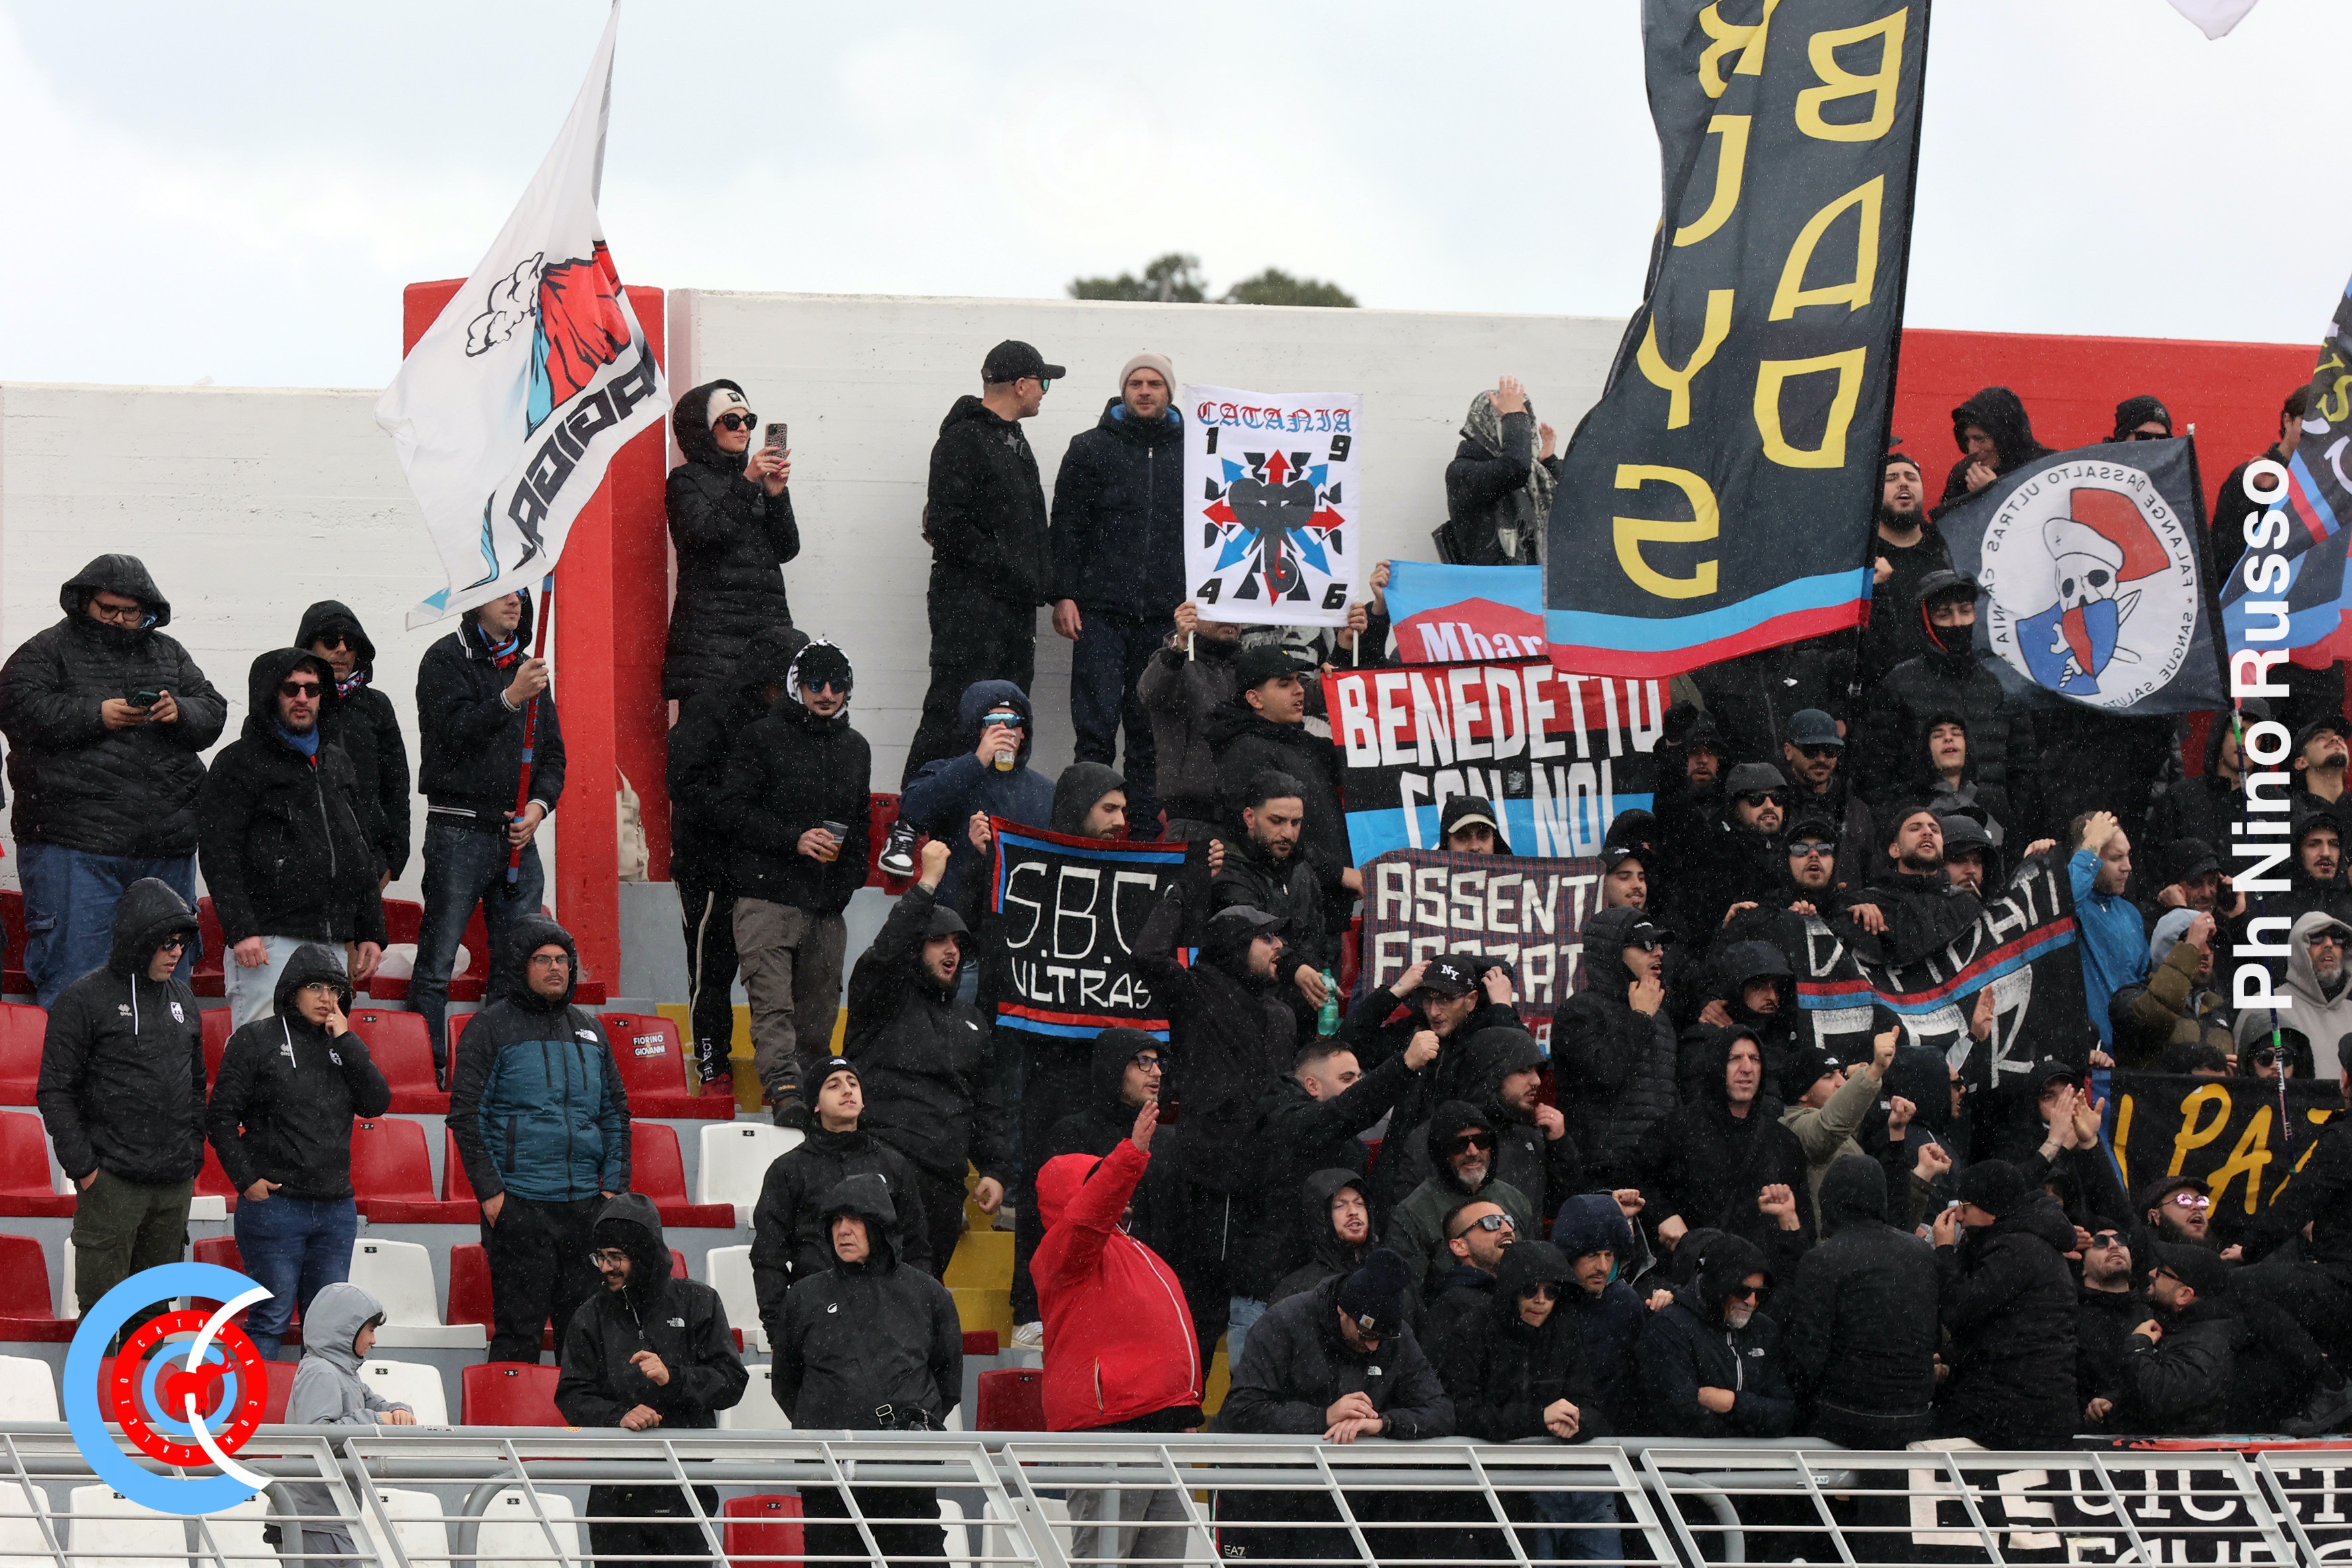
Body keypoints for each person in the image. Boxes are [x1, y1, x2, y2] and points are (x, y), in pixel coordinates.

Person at [0, 556, 226, 1006]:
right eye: (109, 609)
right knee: (76, 979)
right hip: (72, 844)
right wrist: (94, 714)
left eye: (131, 611)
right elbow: (14, 706)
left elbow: (212, 709)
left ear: (148, 610)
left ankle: (162, 1057)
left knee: (167, 985)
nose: (120, 619)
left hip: (165, 846)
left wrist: (180, 710)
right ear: (84, 602)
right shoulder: (47, 649)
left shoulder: (170, 652)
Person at [447, 917, 629, 1365]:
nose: (555, 968)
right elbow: (467, 1117)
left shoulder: (591, 1030)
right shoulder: (488, 1028)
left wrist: (611, 1191)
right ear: (520, 966)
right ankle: (508, 1412)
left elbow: (615, 1114)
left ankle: (578, 1416)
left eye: (563, 959)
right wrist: (493, 1195)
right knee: (518, 1338)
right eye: (543, 959)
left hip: (586, 1208)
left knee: (584, 1344)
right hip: (520, 1206)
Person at [1032, 1102, 1204, 1564]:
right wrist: (1131, 1155)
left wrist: (1181, 1409)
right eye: (1095, 1181)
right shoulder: (1063, 1250)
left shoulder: (1130, 1248)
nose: (1118, 1194)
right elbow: (1088, 1215)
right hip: (1109, 1431)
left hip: (1159, 1428)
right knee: (1102, 1560)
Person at [1132, 891, 1294, 1366]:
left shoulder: (1279, 1013)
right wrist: (1183, 893)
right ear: (1234, 945)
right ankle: (1183, 1402)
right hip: (1210, 1180)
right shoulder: (1196, 992)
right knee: (1200, 1309)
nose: (1279, 946)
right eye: (1266, 938)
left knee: (1251, 1311)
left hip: (1264, 1183)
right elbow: (1146, 956)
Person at [36, 879, 204, 1338]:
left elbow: (196, 1086)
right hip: (111, 1184)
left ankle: (143, 1392)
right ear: (139, 939)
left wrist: (192, 1156)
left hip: (172, 1186)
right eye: (166, 942)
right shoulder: (83, 998)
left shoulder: (184, 999)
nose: (176, 952)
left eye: (182, 942)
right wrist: (84, 1168)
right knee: (102, 1324)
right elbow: (54, 1090)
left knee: (153, 1322)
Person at [206, 945, 391, 1362]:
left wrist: (347, 1041)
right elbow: (220, 1117)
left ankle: (318, 1404)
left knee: (328, 1328)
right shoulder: (255, 1039)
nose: (326, 998)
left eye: (334, 990)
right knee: (270, 1319)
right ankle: (259, 1405)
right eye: (315, 987)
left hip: (335, 1210)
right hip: (275, 1206)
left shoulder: (343, 1044)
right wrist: (246, 1181)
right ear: (293, 991)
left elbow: (376, 1103)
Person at [410, 588, 564, 1075]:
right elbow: (453, 733)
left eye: (520, 593)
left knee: (516, 964)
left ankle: (498, 1068)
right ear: (475, 600)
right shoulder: (444, 658)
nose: (515, 602)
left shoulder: (526, 667)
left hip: (518, 833)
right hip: (457, 828)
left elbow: (552, 754)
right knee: (437, 962)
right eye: (502, 594)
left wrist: (539, 807)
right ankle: (429, 1068)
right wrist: (510, 698)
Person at [1215, 1250, 1452, 1562]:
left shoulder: (1397, 1338)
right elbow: (1242, 1409)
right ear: (1342, 1309)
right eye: (1367, 1333)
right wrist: (1324, 1417)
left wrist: (1383, 1423)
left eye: (1382, 1337)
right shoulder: (1284, 1321)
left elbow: (1440, 1410)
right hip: (1262, 1496)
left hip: (1340, 1502)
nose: (1373, 1345)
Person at [775, 1174, 961, 1568]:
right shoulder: (804, 1296)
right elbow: (786, 1384)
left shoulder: (928, 1294)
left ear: (879, 1225)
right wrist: (829, 1418)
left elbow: (948, 1382)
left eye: (855, 1220)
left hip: (907, 1475)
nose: (843, 1230)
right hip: (829, 1474)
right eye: (836, 1221)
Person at [900, 339, 1063, 785]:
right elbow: (948, 527)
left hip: (1012, 607)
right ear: (1021, 385)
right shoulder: (963, 440)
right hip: (969, 608)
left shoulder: (1013, 440)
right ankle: (917, 809)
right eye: (1043, 382)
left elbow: (1031, 527)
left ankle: (989, 809)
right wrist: (1013, 572)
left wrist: (1048, 586)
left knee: (1006, 714)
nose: (1044, 392)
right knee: (955, 709)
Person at [722, 638, 870, 1124]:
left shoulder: (856, 747)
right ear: (796, 686)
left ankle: (808, 1097)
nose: (826, 693)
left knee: (819, 1016)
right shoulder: (760, 737)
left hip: (826, 905)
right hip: (766, 897)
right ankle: (785, 1094)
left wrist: (847, 883)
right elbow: (731, 810)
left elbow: (861, 824)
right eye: (815, 683)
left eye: (837, 684)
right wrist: (793, 839)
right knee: (772, 1008)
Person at [195, 650, 386, 1026]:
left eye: (312, 689)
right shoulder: (238, 762)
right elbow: (219, 854)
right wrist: (242, 930)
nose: (303, 698)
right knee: (261, 1048)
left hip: (332, 944)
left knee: (324, 1050)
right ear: (270, 693)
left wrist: (371, 931)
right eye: (291, 688)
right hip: (267, 943)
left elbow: (359, 851)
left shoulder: (337, 762)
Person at [846, 838, 1009, 1277]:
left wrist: (994, 1169)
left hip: (944, 1185)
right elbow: (886, 953)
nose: (951, 950)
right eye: (937, 941)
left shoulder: (972, 1021)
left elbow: (987, 1104)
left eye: (957, 942)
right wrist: (927, 883)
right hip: (880, 1169)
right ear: (916, 946)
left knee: (921, 1298)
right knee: (872, 1293)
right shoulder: (881, 1000)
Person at [557, 1194, 747, 1568]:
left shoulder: (699, 1301)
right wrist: (619, 1416)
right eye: (600, 1257)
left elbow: (731, 1382)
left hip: (685, 1484)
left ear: (643, 1255)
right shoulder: (588, 1315)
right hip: (614, 1490)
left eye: (616, 1257)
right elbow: (572, 1395)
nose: (606, 1268)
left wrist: (674, 1379)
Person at [1229, 1033, 1435, 1360]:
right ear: (1312, 1085)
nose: (1357, 1086)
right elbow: (1341, 1114)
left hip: (1326, 1297)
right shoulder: (1281, 1121)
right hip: (1263, 1299)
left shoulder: (1347, 1144)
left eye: (1359, 1078)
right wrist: (1404, 1065)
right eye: (1347, 1078)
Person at [1049, 352, 1185, 832]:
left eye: (1154, 383)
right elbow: (1066, 526)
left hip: (1165, 617)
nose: (1144, 391)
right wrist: (1063, 594)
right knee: (1095, 731)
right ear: (1123, 391)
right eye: (1135, 383)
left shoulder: (1197, 454)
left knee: (1150, 734)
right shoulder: (1089, 448)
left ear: (1169, 392)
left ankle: (1144, 834)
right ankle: (1084, 833)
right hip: (1100, 614)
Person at [666, 626, 807, 1089]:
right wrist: (739, 814)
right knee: (711, 970)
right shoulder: (709, 710)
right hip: (708, 868)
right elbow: (684, 786)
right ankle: (713, 1065)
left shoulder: (790, 721)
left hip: (763, 867)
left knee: (773, 974)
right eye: (784, 683)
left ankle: (781, 1070)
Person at [1442, 1241, 1618, 1566]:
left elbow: (1592, 1408)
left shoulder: (1565, 1331)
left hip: (1577, 1481)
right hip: (1507, 1488)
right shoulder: (1472, 1330)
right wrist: (1539, 1419)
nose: (1541, 1300)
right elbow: (1462, 1413)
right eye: (1529, 1290)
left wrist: (1577, 1424)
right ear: (1510, 1290)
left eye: (1552, 1291)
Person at [750, 1059, 934, 1324]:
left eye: (853, 1083)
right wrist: (779, 1328)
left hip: (887, 1316)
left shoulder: (893, 1165)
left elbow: (917, 1247)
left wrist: (913, 1314)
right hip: (817, 1316)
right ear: (815, 1104)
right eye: (833, 1085)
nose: (847, 1090)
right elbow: (769, 1257)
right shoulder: (788, 1169)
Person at [1773, 1156, 1939, 1447]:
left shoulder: (1824, 1260)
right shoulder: (1920, 1253)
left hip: (1844, 1419)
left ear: (1828, 1202)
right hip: (1914, 1416)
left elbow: (1806, 1351)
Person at [1012, 1028, 1166, 1340]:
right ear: (1114, 1068)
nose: (1157, 1072)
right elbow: (1039, 1226)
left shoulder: (1165, 1141)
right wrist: (1030, 1309)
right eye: (1143, 1061)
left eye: (1158, 1062)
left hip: (1147, 1306)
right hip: (1084, 1309)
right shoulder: (1071, 1134)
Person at [1853, 572, 2037, 831]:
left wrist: (2011, 823)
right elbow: (1877, 774)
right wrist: (1902, 829)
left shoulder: (2004, 682)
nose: (1957, 623)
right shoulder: (1899, 684)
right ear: (1926, 621)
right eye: (1944, 614)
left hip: (1995, 833)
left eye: (1966, 611)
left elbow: (2024, 768)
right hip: (1924, 834)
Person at [661, 380, 800, 705]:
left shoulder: (758, 480)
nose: (743, 429)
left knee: (768, 733)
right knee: (709, 732)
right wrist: (748, 482)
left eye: (749, 421)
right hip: (711, 640)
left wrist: (777, 496)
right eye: (732, 420)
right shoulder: (685, 480)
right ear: (706, 429)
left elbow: (786, 549)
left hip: (765, 632)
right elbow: (704, 538)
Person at [1930, 1159, 2079, 1450]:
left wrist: (1945, 1250)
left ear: (1991, 1208)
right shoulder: (2026, 1242)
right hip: (2032, 1407)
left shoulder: (2017, 1249)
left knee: (1904, 1447)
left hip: (2012, 1415)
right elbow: (2002, 1329)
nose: (1958, 1216)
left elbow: (1959, 1309)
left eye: (1964, 1205)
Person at [1208, 646, 1358, 921]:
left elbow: (1366, 758)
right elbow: (1258, 836)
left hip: (1321, 906)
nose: (1299, 690)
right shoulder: (1245, 751)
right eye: (1285, 683)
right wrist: (1337, 874)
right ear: (1255, 698)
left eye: (1299, 681)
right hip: (1285, 916)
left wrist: (1345, 683)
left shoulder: (1301, 743)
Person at [1638, 1027, 1810, 1259]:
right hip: (1695, 1270)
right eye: (1734, 1058)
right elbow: (1632, 1179)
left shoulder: (1783, 1142)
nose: (1747, 1068)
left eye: (1755, 1059)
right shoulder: (1677, 1130)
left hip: (1762, 1276)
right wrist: (1663, 1216)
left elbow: (1804, 1228)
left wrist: (1788, 1223)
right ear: (1716, 1065)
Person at [892, 680, 1054, 921]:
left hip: (1019, 922)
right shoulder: (944, 771)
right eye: (992, 722)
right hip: (957, 921)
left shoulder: (1046, 790)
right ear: (976, 729)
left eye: (1012, 722)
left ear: (1023, 732)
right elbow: (914, 812)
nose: (1003, 731)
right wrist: (976, 762)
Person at [280, 1283, 417, 1567]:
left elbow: (377, 1405)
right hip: (311, 1519)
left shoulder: (345, 1375)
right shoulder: (320, 1372)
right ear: (347, 1329)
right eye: (370, 1330)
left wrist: (398, 1411)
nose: (374, 1340)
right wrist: (376, 1421)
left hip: (332, 1517)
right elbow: (317, 1437)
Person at [1553, 907, 1681, 1189]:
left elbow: (1668, 1092)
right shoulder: (1580, 1011)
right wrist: (1640, 1018)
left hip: (1660, 1169)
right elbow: (1606, 1074)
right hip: (1604, 1171)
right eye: (1646, 945)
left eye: (1660, 945)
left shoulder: (1659, 1014)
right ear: (1612, 953)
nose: (1659, 952)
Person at [295, 601, 412, 888]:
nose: (342, 650)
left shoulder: (377, 706)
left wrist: (392, 861)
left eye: (351, 643)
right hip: (302, 867)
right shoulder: (292, 705)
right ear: (309, 646)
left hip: (366, 864)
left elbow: (396, 787)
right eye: (331, 641)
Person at [1637, 1233, 1795, 1438]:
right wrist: (1753, 1427)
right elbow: (1680, 1414)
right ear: (1718, 1285)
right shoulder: (1671, 1326)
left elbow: (1786, 1414)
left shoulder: (1763, 1329)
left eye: (1761, 1293)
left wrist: (1734, 1403)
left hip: (1751, 1457)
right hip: (1689, 1456)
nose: (1751, 1301)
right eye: (1742, 1291)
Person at [1214, 772, 1338, 1032]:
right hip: (1247, 1020)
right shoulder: (1228, 870)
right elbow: (1248, 935)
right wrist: (1295, 969)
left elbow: (1320, 944)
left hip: (1303, 1020)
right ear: (1250, 817)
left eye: (1296, 823)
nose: (1288, 833)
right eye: (1277, 821)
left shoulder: (1303, 871)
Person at [1384, 1102, 1537, 1301]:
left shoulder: (1515, 1199)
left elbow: (1535, 1269)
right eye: (1459, 1145)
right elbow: (1408, 1297)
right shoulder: (1412, 1213)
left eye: (1481, 1141)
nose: (1473, 1152)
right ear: (1441, 1153)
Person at [2101, 1241, 2236, 1437]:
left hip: (2177, 1453)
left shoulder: (2207, 1344)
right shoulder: (2179, 1328)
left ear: (2184, 1295)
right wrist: (2114, 1402)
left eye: (2161, 1272)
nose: (2151, 1273)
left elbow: (2160, 1398)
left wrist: (2138, 1345)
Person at [1137, 602, 1243, 848]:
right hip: (1192, 821)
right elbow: (1150, 693)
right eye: (1218, 610)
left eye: (1235, 611)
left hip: (1246, 823)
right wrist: (1178, 648)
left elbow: (1295, 701)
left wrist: (1334, 667)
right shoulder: (1175, 661)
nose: (1230, 619)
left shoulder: (1248, 668)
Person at [1839, 803, 1984, 968]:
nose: (1928, 832)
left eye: (1935, 830)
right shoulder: (1867, 905)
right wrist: (1846, 913)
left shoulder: (1965, 904)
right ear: (1895, 850)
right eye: (1915, 829)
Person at [1551, 1194, 1650, 1435]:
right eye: (1592, 1255)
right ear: (1568, 1256)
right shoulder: (1543, 1299)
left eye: (1609, 1255)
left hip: (1615, 1438)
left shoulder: (1625, 1302)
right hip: (1554, 1433)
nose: (1603, 1267)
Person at [1858, 450, 1952, 684]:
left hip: (1944, 683)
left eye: (1911, 477)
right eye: (1891, 479)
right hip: (1881, 688)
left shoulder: (1948, 548)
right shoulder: (1860, 557)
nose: (1903, 483)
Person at [1443, 376, 1557, 566]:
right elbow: (1514, 469)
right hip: (1495, 583)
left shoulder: (1533, 473)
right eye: (1515, 420)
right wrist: (1513, 416)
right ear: (1488, 422)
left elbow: (1573, 506)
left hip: (1535, 581)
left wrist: (1549, 462)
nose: (1528, 430)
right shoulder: (1462, 471)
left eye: (1526, 420)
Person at [2108, 910, 2232, 1070]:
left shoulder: (2218, 1011)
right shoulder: (2131, 998)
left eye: (2212, 943)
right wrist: (2190, 949)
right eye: (2199, 942)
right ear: (2168, 948)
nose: (2207, 952)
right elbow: (2154, 1016)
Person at [1684, 761, 1790, 943]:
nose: (1770, 805)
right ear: (1734, 808)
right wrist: (1727, 928)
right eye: (1756, 798)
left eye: (1778, 798)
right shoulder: (1714, 856)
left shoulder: (1800, 850)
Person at [2070, 810, 2146, 1053]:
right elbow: (2065, 897)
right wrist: (2092, 842)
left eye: (2128, 855)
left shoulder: (2131, 914)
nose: (2128, 867)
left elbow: (2141, 980)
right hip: (2085, 1051)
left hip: (2129, 1053)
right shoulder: (2073, 906)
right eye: (2116, 858)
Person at [1780, 708, 1875, 880]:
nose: (1822, 759)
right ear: (1788, 751)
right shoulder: (1774, 804)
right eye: (1811, 750)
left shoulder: (1857, 810)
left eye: (1830, 751)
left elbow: (1872, 872)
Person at [1932, 386, 2054, 516]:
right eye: (1966, 440)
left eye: (1980, 439)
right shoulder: (1964, 474)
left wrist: (1995, 493)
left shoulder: (2046, 468)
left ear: (2004, 437)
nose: (1972, 450)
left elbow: (2048, 521)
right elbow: (1948, 524)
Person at [1422, 1196, 1517, 1361]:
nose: (1507, 1229)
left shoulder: (1525, 1293)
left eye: (1508, 1221)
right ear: (1460, 1246)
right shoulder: (1453, 1306)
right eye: (1491, 1222)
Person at [1270, 1169, 1380, 1306]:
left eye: (1359, 1203)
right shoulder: (1296, 1290)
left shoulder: (1385, 1276)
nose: (1353, 1212)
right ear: (1321, 1218)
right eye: (1339, 1206)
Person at [2075, 1221, 2144, 1430]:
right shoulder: (2068, 1318)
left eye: (2121, 1240)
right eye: (2100, 1242)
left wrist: (2118, 1400)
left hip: (2148, 1434)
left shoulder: (2155, 1313)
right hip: (2086, 1437)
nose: (2114, 1246)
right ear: (2083, 1268)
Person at [2277, 910, 2352, 1079]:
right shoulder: (2268, 1006)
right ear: (2299, 948)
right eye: (2317, 937)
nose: (2329, 944)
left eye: (2337, 938)